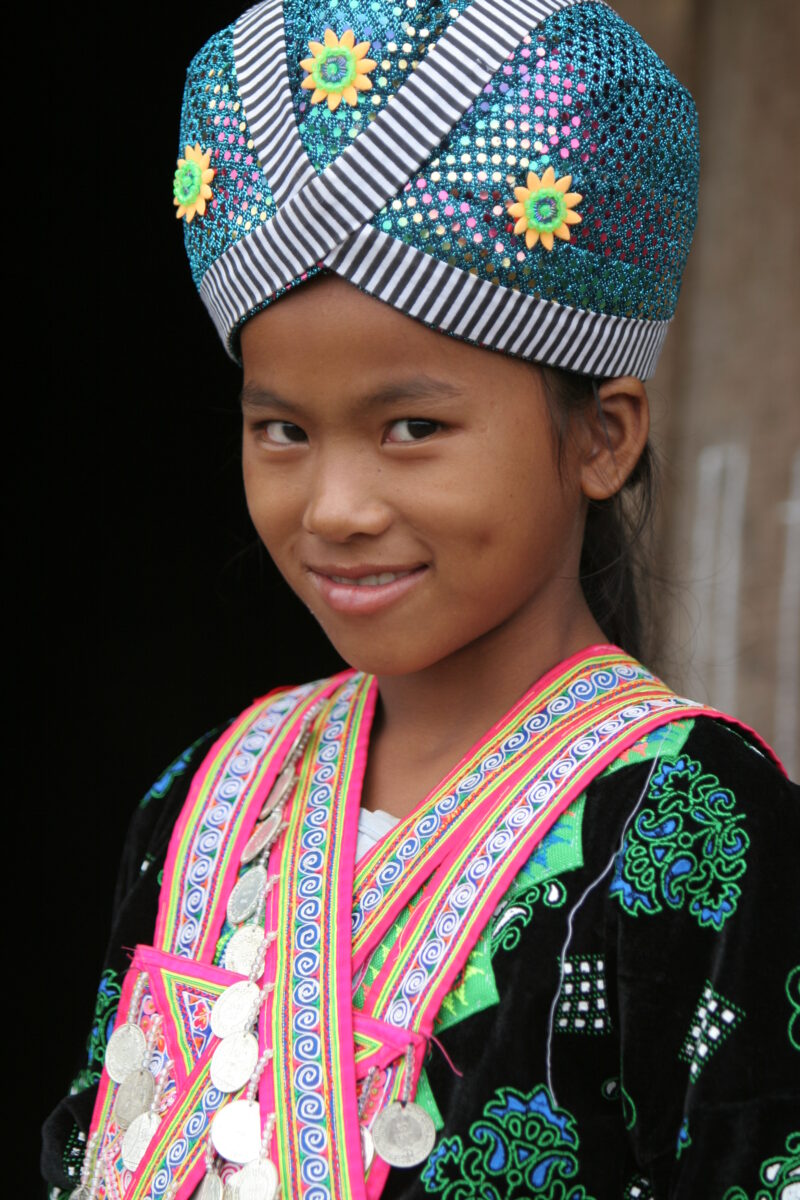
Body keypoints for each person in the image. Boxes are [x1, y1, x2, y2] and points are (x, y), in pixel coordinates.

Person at [42, 0, 800, 1197]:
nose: (333, 504)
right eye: (281, 430)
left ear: (600, 438)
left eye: (411, 428)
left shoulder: (700, 831)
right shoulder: (201, 799)